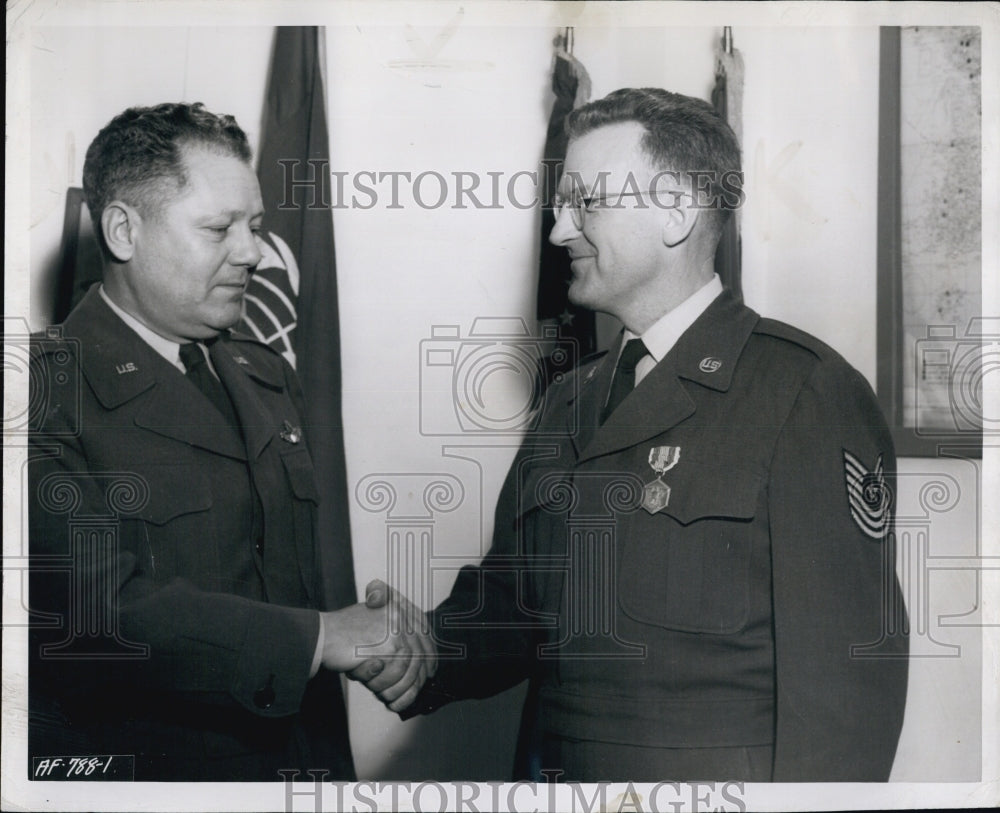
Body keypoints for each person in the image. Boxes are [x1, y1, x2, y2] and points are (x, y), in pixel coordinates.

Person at [394, 88, 909, 781]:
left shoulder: (805, 393)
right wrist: (413, 646)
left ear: (677, 211)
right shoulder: (568, 400)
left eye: (586, 203)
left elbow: (846, 697)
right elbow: (521, 606)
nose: (558, 232)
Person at [28, 102, 433, 781]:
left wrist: (365, 631)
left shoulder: (263, 372)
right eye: (220, 229)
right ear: (124, 231)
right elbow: (96, 617)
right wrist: (323, 636)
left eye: (254, 227)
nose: (251, 252)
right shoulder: (39, 390)